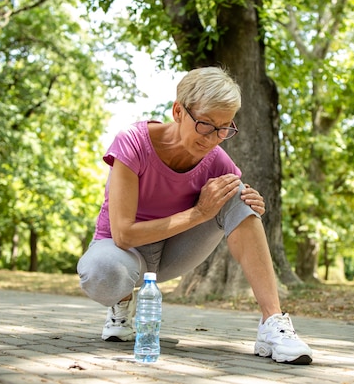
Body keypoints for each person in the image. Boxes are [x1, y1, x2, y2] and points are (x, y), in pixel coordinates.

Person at [77, 66, 313, 365]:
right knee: (101, 270)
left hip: (174, 252)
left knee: (236, 193)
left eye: (225, 127)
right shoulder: (133, 142)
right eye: (205, 124)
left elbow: (238, 210)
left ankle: (273, 324)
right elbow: (124, 234)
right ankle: (122, 303)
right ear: (178, 111)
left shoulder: (217, 160)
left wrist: (249, 205)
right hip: (123, 253)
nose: (214, 137)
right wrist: (200, 212)